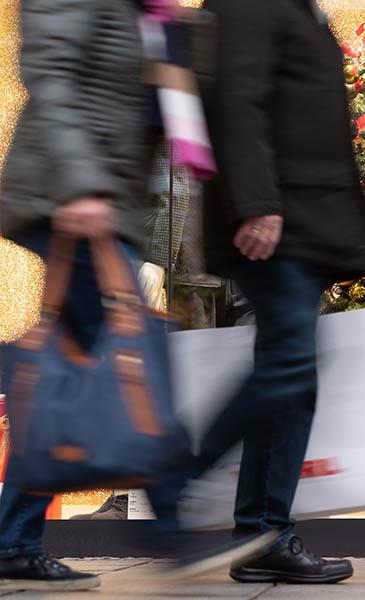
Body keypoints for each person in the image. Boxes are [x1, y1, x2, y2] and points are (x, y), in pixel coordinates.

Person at [146, 0, 365, 585]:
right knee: (287, 370)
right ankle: (178, 478)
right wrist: (257, 203)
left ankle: (262, 534)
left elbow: (302, 113)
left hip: (302, 216)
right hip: (278, 219)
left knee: (291, 377)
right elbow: (237, 97)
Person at [0, 0, 156, 592]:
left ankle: (14, 540)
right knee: (110, 359)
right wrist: (84, 183)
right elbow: (51, 68)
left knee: (73, 369)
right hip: (72, 195)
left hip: (101, 200)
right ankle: (174, 529)